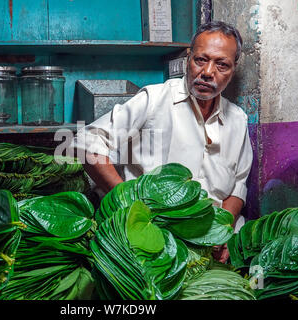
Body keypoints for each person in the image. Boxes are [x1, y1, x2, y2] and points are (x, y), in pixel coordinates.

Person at [71, 21, 253, 263]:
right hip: (151, 238)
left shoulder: (238, 120)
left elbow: (238, 188)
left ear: (233, 69)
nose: (208, 72)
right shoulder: (155, 99)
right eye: (201, 60)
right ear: (188, 58)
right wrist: (126, 201)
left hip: (215, 245)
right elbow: (86, 143)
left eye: (222, 64)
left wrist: (224, 231)